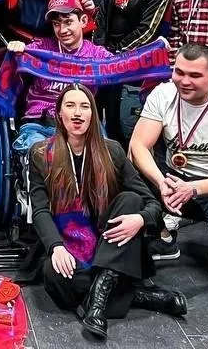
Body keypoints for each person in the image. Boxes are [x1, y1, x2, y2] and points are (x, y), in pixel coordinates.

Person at [30, 86, 186, 342]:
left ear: (93, 114)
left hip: (110, 239)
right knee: (53, 275)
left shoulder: (112, 151)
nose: (77, 113)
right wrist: (56, 247)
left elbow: (151, 203)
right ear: (59, 114)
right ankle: (140, 297)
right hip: (69, 239)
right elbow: (39, 210)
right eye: (70, 106)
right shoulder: (40, 154)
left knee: (131, 200)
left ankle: (97, 305)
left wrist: (140, 219)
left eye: (85, 106)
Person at [129, 43, 208, 274]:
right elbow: (138, 145)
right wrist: (160, 181)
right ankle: (162, 237)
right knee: (125, 169)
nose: (184, 81)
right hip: (171, 179)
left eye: (195, 75)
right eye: (179, 72)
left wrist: (193, 188)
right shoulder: (163, 94)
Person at [93, 0, 173, 140]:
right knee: (100, 125)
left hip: (132, 68)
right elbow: (102, 14)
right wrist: (100, 51)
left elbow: (148, 30)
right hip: (103, 61)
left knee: (123, 130)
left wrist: (117, 55)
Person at [5, 0, 112, 129]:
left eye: (68, 22)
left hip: (82, 125)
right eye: (56, 24)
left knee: (106, 143)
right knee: (36, 144)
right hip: (40, 124)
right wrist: (18, 48)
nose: (62, 30)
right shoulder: (41, 48)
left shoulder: (96, 54)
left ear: (83, 21)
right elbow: (20, 54)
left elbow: (123, 65)